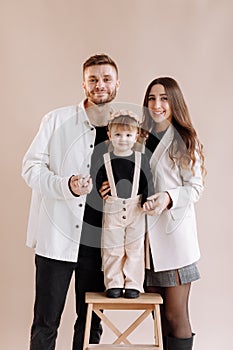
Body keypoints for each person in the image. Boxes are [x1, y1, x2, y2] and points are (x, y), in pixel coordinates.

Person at [22, 54, 120, 350]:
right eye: (93, 79)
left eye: (106, 79)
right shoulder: (56, 120)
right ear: (83, 84)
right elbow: (30, 168)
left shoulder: (127, 126)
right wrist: (66, 185)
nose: (99, 85)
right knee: (46, 321)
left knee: (90, 322)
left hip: (100, 242)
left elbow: (137, 176)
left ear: (117, 83)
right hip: (57, 237)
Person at [141, 77, 206, 350]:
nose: (157, 104)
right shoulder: (140, 137)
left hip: (175, 240)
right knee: (160, 318)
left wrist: (169, 197)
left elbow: (195, 188)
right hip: (147, 243)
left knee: (175, 315)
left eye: (164, 98)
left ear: (174, 103)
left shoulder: (184, 140)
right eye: (152, 98)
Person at [96, 111, 154, 299]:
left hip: (136, 209)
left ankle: (133, 284)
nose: (123, 139)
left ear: (136, 136)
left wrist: (147, 199)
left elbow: (148, 182)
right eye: (118, 135)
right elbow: (98, 182)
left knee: (135, 248)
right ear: (110, 135)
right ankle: (113, 283)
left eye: (128, 135)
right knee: (112, 248)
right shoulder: (104, 160)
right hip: (113, 208)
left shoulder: (141, 159)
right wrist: (98, 189)